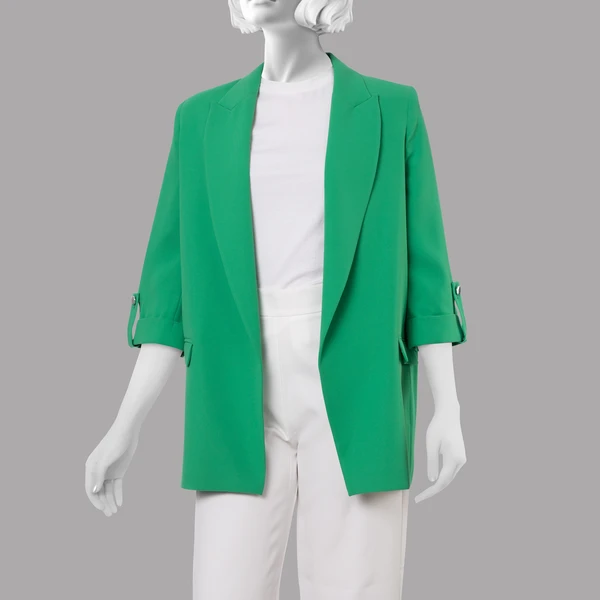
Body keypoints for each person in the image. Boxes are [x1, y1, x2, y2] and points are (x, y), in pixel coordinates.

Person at [85, 1, 468, 598]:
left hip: (360, 385)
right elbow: (168, 298)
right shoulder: (200, 119)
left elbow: (427, 271)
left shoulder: (392, 109)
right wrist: (124, 426)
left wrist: (449, 408)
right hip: (232, 389)